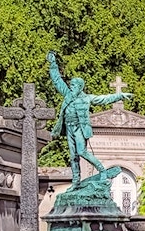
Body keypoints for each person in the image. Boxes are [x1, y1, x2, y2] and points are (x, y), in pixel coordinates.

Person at [47, 52, 131, 188]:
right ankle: (76, 181)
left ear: (80, 87)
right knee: (73, 156)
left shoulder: (87, 98)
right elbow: (57, 80)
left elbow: (104, 99)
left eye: (74, 85)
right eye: (71, 84)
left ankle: (102, 169)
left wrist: (119, 95)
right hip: (69, 128)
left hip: (80, 128)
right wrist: (53, 64)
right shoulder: (67, 94)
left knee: (82, 152)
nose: (71, 86)